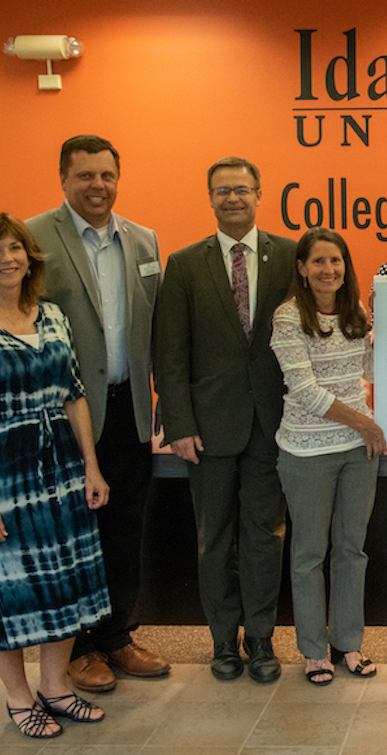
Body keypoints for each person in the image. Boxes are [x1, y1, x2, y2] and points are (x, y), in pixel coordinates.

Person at [0, 213, 112, 739]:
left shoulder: (52, 315)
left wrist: (91, 467)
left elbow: (74, 395)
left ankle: (55, 687)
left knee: (66, 583)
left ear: (29, 257)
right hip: (2, 475)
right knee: (6, 591)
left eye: (15, 248)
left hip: (62, 470)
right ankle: (19, 698)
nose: (7, 259)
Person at [27, 135, 169, 692]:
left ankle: (116, 636)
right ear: (64, 178)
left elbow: (154, 324)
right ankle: (77, 648)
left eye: (106, 175)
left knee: (123, 528)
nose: (97, 185)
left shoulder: (142, 239)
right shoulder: (34, 238)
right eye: (85, 175)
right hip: (62, 416)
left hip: (129, 407)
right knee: (70, 533)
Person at [152, 157, 295, 683]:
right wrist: (178, 423)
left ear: (259, 194)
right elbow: (170, 352)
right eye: (222, 191)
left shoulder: (289, 255)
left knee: (266, 534)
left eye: (241, 189)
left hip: (273, 422)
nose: (232, 198)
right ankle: (221, 641)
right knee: (213, 539)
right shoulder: (185, 264)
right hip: (207, 427)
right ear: (210, 198)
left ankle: (260, 639)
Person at [270, 227, 386, 685]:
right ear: (302, 268)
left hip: (358, 451)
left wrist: (386, 331)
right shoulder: (288, 318)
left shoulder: (355, 310)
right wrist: (364, 423)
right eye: (318, 261)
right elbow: (305, 390)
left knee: (352, 551)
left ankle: (348, 644)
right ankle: (314, 651)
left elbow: (368, 370)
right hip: (307, 451)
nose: (328, 269)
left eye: (335, 260)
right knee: (309, 554)